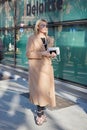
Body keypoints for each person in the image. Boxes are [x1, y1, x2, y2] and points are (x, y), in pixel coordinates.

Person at [26, 19, 56, 125]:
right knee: (40, 94)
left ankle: (42, 114)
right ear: (38, 26)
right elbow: (29, 54)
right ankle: (39, 115)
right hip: (38, 71)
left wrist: (52, 54)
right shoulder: (32, 38)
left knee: (46, 93)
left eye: (46, 25)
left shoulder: (48, 39)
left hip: (47, 69)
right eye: (43, 25)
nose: (45, 27)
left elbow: (48, 54)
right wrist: (43, 53)